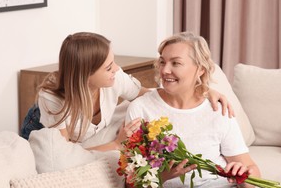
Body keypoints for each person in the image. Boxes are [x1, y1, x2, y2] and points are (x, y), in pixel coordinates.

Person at [125, 32, 281, 188]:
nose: (165, 70)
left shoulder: (217, 108)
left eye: (175, 63)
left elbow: (252, 174)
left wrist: (242, 177)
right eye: (162, 62)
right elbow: (133, 186)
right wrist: (165, 175)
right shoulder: (142, 109)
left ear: (200, 69)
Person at [20, 32, 233, 152]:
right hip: (43, 131)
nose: (116, 69)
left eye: (113, 62)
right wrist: (115, 144)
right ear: (86, 74)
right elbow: (63, 155)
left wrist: (201, 91)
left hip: (87, 138)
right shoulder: (53, 100)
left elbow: (151, 94)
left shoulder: (115, 78)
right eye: (108, 67)